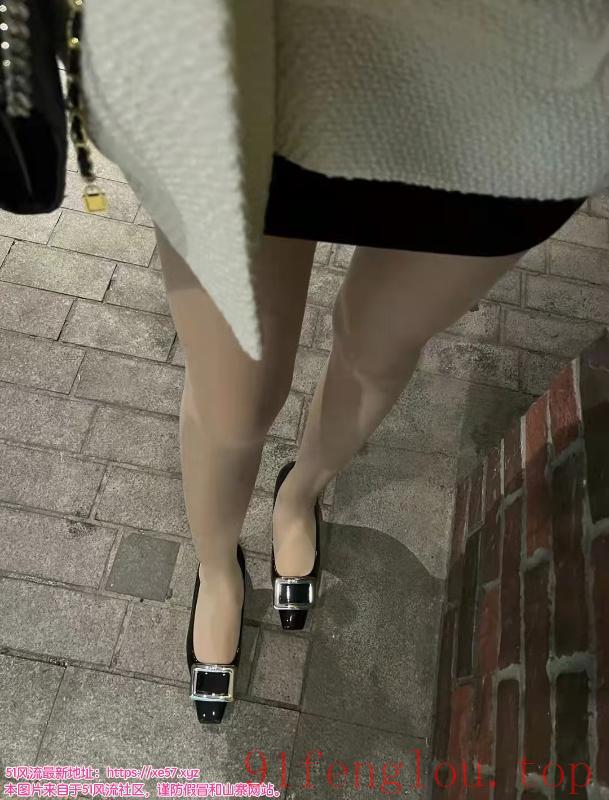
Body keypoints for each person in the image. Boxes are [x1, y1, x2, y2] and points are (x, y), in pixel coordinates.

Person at [81, 0, 609, 723]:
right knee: (232, 401)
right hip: (238, 58)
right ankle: (217, 566)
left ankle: (298, 496)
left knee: (378, 351)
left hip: (515, 99)